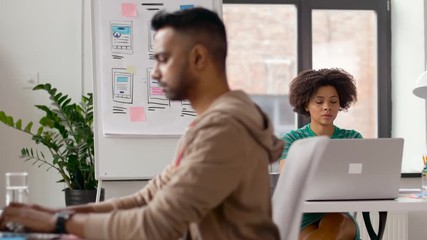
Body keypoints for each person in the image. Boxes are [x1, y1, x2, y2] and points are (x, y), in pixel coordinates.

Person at [0, 7, 284, 240]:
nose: (155, 73)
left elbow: (157, 225)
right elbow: (147, 198)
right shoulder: (213, 123)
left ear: (198, 57)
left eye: (162, 59)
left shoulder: (225, 130)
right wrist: (56, 215)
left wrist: (58, 225)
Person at [279, 68, 362, 240]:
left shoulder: (352, 138)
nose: (327, 107)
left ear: (340, 104)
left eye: (333, 101)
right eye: (319, 102)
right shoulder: (292, 139)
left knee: (337, 221)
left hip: (340, 215)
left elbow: (362, 179)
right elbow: (289, 177)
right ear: (306, 105)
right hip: (303, 217)